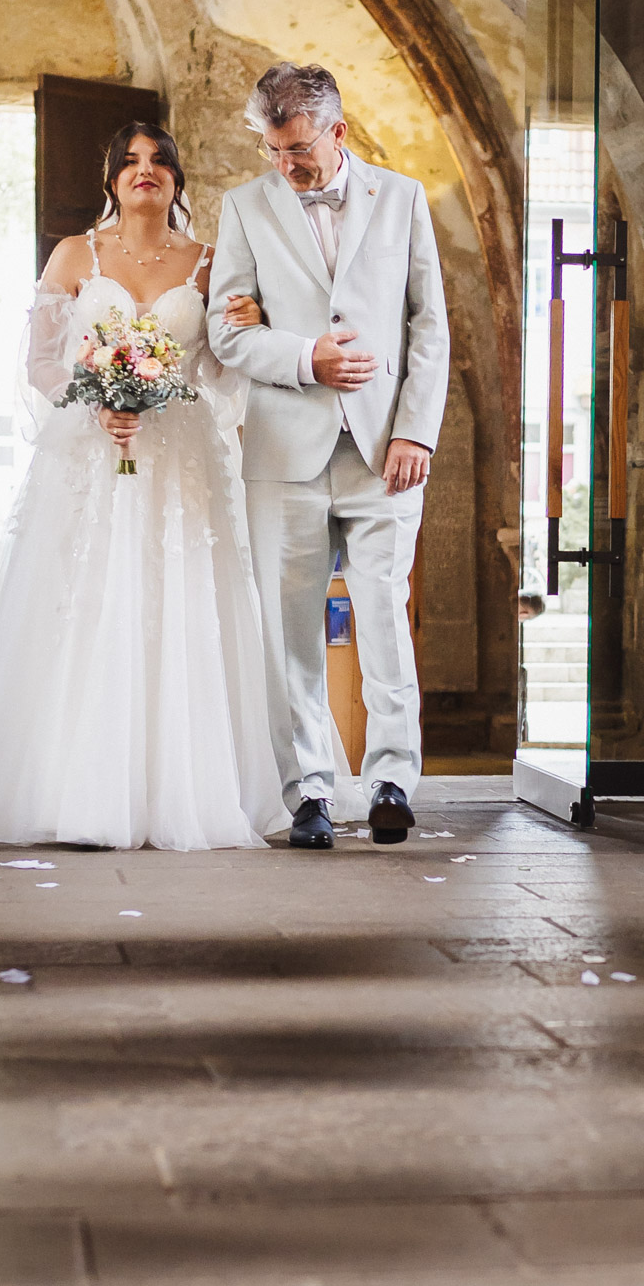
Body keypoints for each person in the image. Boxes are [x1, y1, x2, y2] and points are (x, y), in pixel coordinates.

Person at [0, 122, 286, 850]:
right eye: (131, 162)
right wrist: (99, 395)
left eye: (160, 161)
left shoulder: (211, 263)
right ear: (109, 179)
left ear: (177, 180)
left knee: (174, 603)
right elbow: (42, 363)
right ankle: (63, 785)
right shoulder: (75, 254)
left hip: (179, 461)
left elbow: (225, 370)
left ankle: (178, 788)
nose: (146, 171)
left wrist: (247, 325)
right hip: (88, 457)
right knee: (79, 604)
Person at [208, 63, 451, 850]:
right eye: (274, 151)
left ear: (337, 131)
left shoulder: (403, 198)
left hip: (384, 449)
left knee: (382, 614)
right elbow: (228, 332)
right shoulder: (243, 208)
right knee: (290, 631)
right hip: (285, 450)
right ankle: (308, 789)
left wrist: (415, 430)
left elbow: (428, 326)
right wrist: (308, 357)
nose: (287, 166)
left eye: (299, 150)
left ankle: (390, 781)